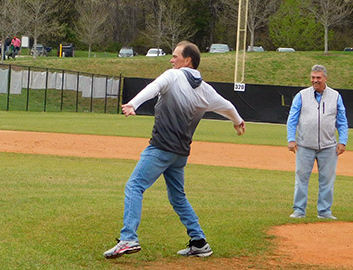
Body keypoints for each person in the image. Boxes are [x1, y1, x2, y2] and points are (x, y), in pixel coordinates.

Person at [103, 40, 246, 259]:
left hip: (161, 148)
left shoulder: (174, 75)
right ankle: (199, 242)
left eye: (175, 56)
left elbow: (153, 88)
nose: (172, 60)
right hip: (180, 153)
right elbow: (227, 106)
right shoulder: (206, 90)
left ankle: (128, 238)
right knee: (178, 197)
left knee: (134, 186)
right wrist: (237, 121)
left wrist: (133, 103)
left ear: (187, 60)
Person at [287, 64, 348, 220]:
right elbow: (292, 118)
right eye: (313, 77)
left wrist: (343, 141)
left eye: (318, 78)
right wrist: (291, 139)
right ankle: (299, 210)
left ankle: (325, 211)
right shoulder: (301, 95)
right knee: (301, 179)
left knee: (327, 180)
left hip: (328, 146)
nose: (315, 80)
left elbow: (342, 120)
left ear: (325, 78)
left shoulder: (335, 96)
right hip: (304, 145)